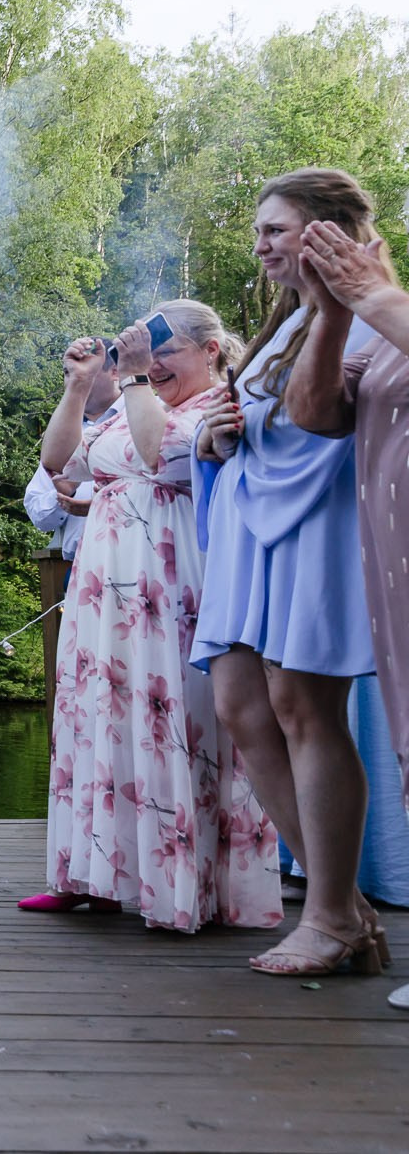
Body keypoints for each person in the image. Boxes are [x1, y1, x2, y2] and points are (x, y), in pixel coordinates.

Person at [25, 303, 279, 931]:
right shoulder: (127, 404)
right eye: (147, 353)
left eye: (168, 352)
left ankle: (178, 887)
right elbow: (57, 463)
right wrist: (79, 385)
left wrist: (136, 376)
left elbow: (159, 452)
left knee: (166, 718)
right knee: (98, 718)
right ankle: (90, 876)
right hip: (101, 585)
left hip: (170, 580)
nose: (155, 364)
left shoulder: (219, 404)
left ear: (210, 350)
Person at [194, 168, 382, 977]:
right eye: (258, 231)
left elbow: (324, 418)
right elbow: (260, 423)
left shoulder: (365, 315)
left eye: (275, 229)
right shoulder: (287, 321)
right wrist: (216, 435)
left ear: (326, 230)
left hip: (314, 525)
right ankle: (347, 907)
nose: (260, 245)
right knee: (240, 706)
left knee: (305, 708)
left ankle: (330, 914)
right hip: (251, 525)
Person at [283, 201, 409, 1004]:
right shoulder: (384, 331)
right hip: (393, 566)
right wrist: (330, 316)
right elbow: (314, 412)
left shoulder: (391, 310)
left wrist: (371, 295)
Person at [23, 341, 117, 561]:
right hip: (80, 567)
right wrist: (64, 495)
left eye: (89, 368)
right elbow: (39, 518)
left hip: (144, 561)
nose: (76, 377)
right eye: (68, 372)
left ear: (115, 372)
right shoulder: (62, 435)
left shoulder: (147, 412)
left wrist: (106, 503)